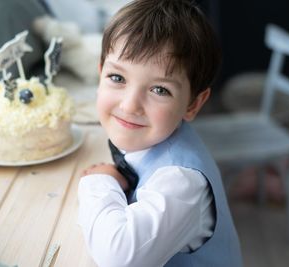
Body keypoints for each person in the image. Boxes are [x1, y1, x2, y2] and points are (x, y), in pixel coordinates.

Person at [77, 0, 243, 266]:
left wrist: (99, 182)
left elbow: (117, 257)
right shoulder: (150, 140)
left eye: (159, 90)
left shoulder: (182, 182)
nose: (130, 105)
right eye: (117, 78)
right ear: (100, 74)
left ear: (193, 104)